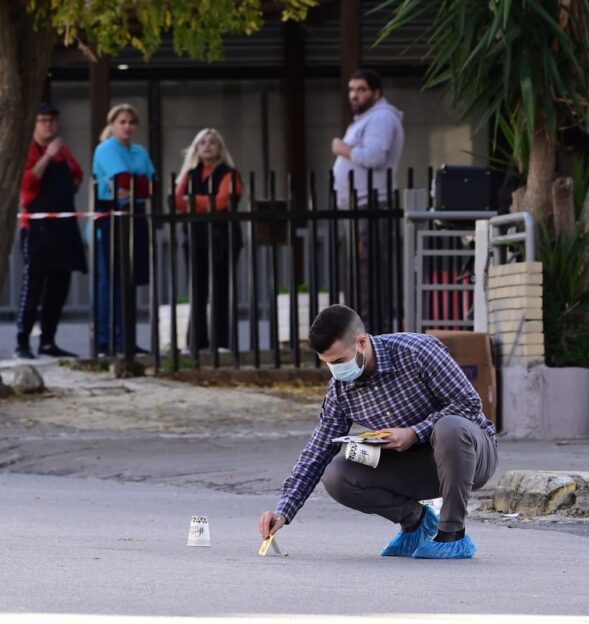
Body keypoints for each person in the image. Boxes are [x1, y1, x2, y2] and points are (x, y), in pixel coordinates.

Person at [258, 304, 498, 559]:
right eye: (327, 364)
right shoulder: (341, 390)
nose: (336, 371)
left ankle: (452, 534)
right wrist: (283, 511)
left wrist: (414, 433)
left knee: (449, 427)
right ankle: (416, 521)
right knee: (337, 475)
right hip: (416, 467)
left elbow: (469, 404)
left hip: (469, 456)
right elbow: (318, 450)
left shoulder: (417, 351)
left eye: (339, 361)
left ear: (362, 342)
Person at [331, 70, 404, 332]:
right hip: (358, 206)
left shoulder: (382, 117)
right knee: (360, 271)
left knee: (367, 272)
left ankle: (370, 332)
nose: (354, 95)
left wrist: (343, 149)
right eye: (351, 90)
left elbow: (374, 156)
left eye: (361, 89)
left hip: (371, 205)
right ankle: (362, 330)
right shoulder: (365, 119)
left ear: (376, 92)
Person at [15, 102, 87, 359]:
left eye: (52, 120)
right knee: (33, 288)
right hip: (38, 229)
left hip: (63, 228)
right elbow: (28, 181)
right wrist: (47, 155)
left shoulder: (63, 152)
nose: (49, 125)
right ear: (34, 124)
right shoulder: (30, 151)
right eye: (43, 120)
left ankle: (48, 341)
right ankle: (22, 342)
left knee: (59, 289)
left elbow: (78, 174)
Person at [92, 103, 156, 356]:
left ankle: (127, 337)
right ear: (112, 125)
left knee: (130, 280)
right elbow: (121, 181)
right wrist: (135, 184)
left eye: (131, 122)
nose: (127, 126)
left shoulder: (139, 151)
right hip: (112, 215)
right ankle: (107, 339)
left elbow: (153, 184)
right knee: (112, 278)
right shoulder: (106, 149)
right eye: (122, 122)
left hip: (136, 214)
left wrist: (135, 184)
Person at [174, 128, 243, 352]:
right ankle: (196, 341)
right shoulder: (190, 174)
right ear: (196, 148)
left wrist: (193, 201)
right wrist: (202, 202)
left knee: (221, 288)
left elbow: (222, 201)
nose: (207, 146)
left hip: (223, 237)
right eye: (202, 142)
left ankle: (222, 341)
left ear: (220, 148)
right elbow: (177, 200)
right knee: (197, 289)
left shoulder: (229, 173)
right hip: (195, 237)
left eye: (212, 142)